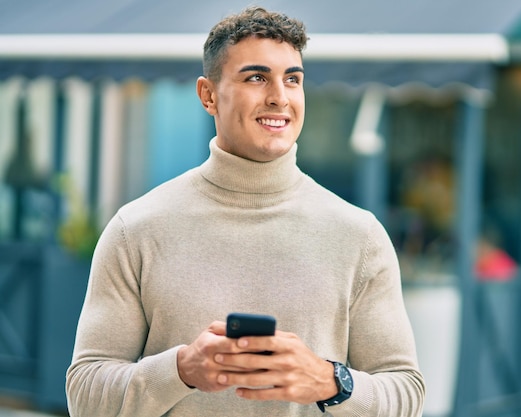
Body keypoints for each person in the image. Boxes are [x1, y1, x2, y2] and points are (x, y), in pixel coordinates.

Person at [66, 6, 425, 417]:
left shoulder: (360, 236)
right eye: (257, 77)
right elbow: (84, 397)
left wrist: (330, 381)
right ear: (208, 95)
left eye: (293, 79)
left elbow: (407, 396)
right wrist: (180, 369)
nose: (280, 97)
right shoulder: (137, 230)